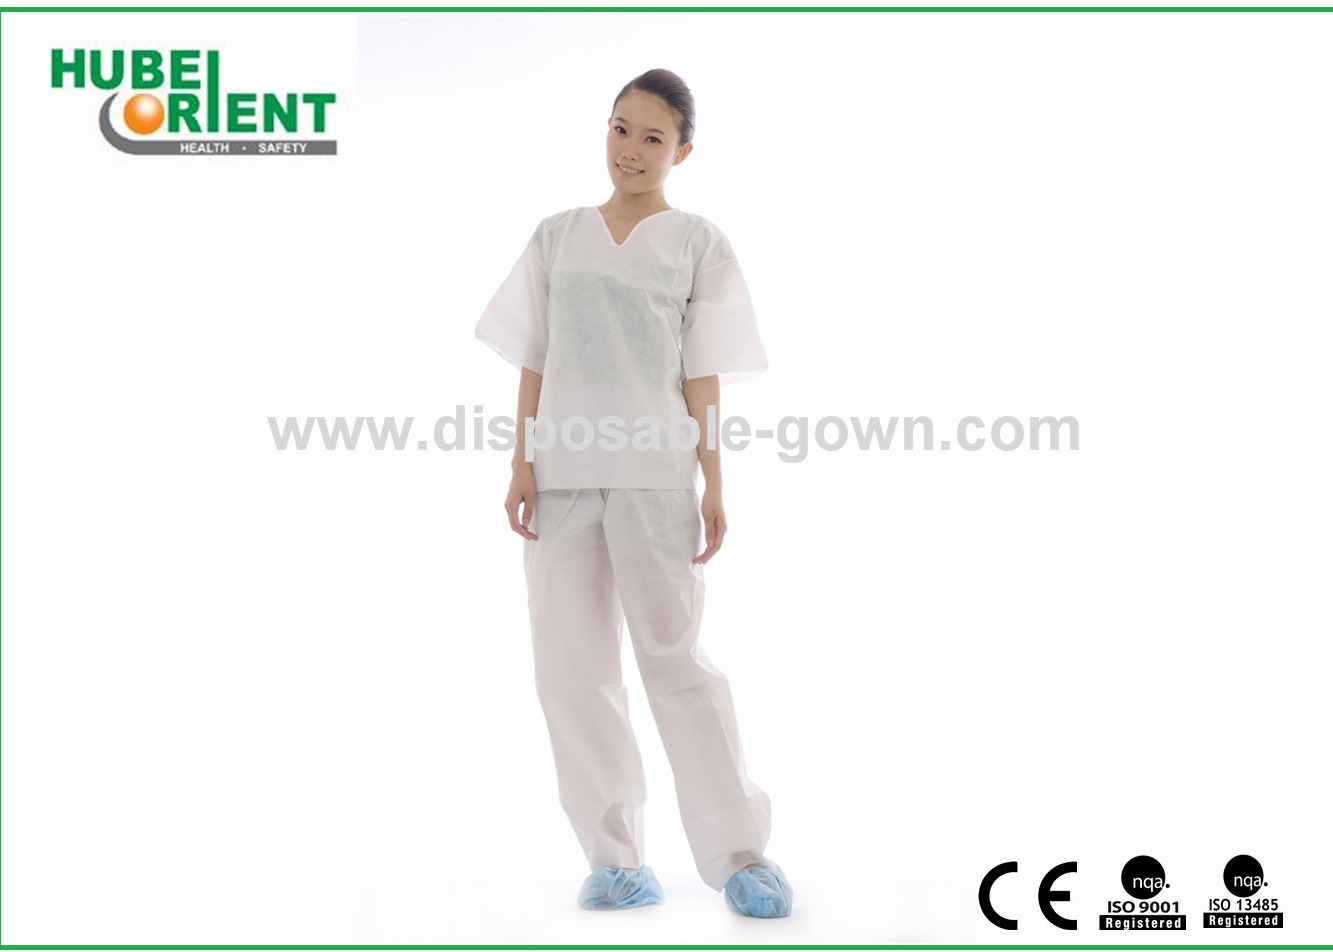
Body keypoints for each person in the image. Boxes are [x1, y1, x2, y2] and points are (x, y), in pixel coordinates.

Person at [473, 68, 793, 919]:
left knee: (675, 664)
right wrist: (519, 463)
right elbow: (534, 356)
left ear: (682, 151)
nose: (631, 149)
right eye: (620, 129)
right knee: (571, 670)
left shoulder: (698, 243)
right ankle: (613, 860)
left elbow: (703, 370)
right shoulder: (556, 236)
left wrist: (715, 477)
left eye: (653, 137)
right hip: (562, 477)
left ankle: (739, 854)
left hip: (656, 475)